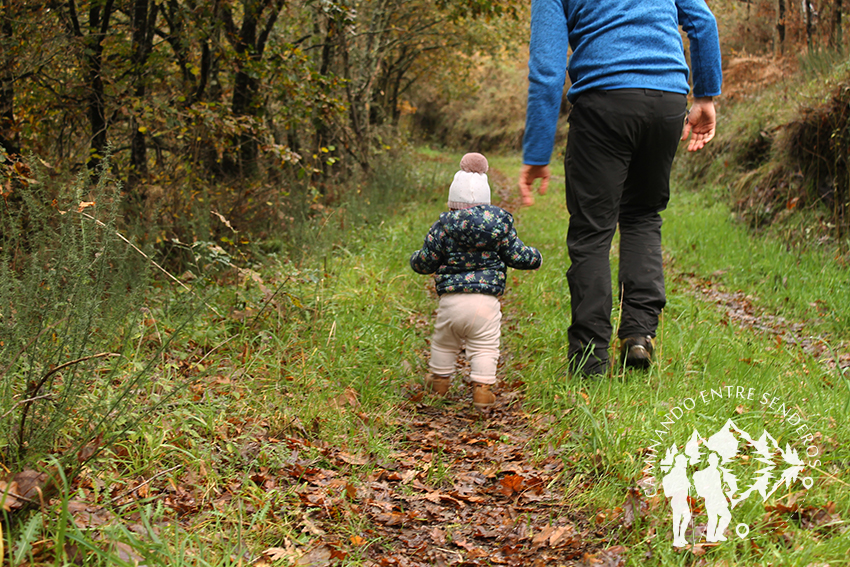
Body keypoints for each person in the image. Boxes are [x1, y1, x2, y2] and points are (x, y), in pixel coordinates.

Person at [518, 0, 722, 376]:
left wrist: (537, 150)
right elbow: (703, 22)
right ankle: (639, 336)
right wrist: (705, 96)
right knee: (643, 215)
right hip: (667, 102)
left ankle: (589, 361)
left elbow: (547, 70)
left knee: (592, 232)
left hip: (603, 101)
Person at [411, 153, 542, 409]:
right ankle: (482, 389)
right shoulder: (498, 227)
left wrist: (415, 259)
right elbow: (518, 255)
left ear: (452, 202)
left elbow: (426, 261)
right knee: (484, 346)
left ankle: (439, 381)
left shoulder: (442, 227)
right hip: (485, 303)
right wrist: (535, 257)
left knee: (444, 342)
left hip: (451, 301)